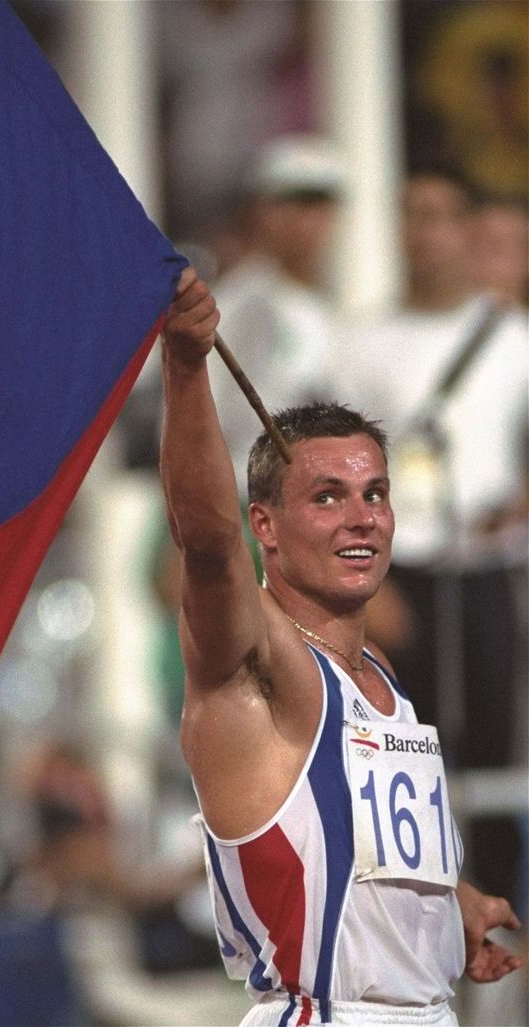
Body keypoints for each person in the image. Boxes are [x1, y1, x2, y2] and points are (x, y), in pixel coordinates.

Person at [158, 266, 524, 1026]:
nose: (362, 517)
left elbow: (360, 842)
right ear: (266, 526)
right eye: (326, 496)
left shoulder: (381, 677)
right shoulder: (258, 664)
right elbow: (204, 543)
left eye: (375, 494)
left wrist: (442, 903)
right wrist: (188, 367)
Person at [332, 167, 528, 905]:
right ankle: (406, 917)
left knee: (495, 753)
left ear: (467, 230)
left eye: (441, 215)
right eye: (411, 214)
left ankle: (500, 921)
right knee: (397, 753)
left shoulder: (511, 339)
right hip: (391, 576)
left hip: (486, 571)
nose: (425, 231)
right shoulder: (361, 341)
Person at [209, 133, 345, 496]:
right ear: (260, 212)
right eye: (289, 203)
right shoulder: (241, 304)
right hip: (249, 497)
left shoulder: (340, 303)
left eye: (317, 205)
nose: (304, 220)